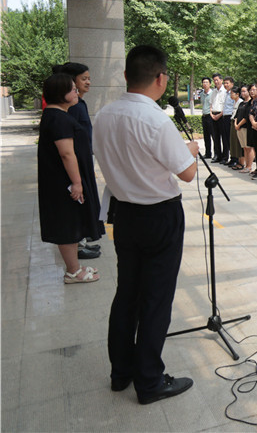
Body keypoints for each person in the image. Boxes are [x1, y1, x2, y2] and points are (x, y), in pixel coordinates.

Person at [94, 45, 198, 404]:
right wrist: (190, 152)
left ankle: (121, 372)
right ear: (161, 78)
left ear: (126, 76)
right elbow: (187, 173)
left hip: (124, 215)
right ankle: (150, 382)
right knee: (156, 299)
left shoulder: (104, 115)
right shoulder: (155, 120)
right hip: (159, 216)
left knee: (127, 294)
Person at [38, 72, 103, 283]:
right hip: (64, 182)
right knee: (68, 224)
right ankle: (73, 272)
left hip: (61, 180)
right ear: (61, 93)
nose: (76, 92)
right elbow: (67, 153)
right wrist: (76, 182)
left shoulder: (56, 115)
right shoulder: (59, 118)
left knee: (72, 221)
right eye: (73, 89)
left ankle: (75, 266)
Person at [57, 61, 102, 260]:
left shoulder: (79, 104)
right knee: (79, 202)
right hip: (77, 162)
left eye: (89, 78)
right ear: (72, 81)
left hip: (84, 160)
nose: (88, 82)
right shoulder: (73, 107)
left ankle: (82, 240)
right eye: (84, 79)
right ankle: (78, 244)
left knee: (86, 201)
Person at [233, 85, 252, 172]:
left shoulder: (250, 103)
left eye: (245, 91)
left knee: (248, 148)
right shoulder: (241, 103)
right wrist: (236, 124)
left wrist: (239, 125)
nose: (243, 93)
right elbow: (236, 115)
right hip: (239, 128)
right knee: (244, 148)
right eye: (242, 91)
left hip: (245, 128)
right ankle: (245, 166)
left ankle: (249, 166)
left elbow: (246, 117)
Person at [209, 73, 225, 162]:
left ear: (221, 80)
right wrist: (211, 114)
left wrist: (219, 115)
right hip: (213, 115)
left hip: (221, 115)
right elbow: (211, 104)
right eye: (214, 80)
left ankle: (225, 157)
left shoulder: (225, 91)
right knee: (215, 137)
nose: (216, 82)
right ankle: (217, 155)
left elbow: (226, 106)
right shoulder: (213, 92)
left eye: (217, 80)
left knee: (224, 137)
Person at [222, 77, 236, 166]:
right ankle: (230, 158)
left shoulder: (234, 94)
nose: (225, 85)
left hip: (230, 117)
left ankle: (235, 159)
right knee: (226, 139)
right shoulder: (226, 93)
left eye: (227, 83)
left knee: (232, 139)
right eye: (224, 83)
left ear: (232, 84)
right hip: (225, 117)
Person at [227, 86, 243, 169]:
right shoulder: (235, 102)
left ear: (237, 94)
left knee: (237, 143)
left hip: (237, 123)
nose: (231, 95)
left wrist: (237, 124)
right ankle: (234, 159)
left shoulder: (240, 102)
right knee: (233, 142)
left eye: (232, 93)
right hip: (233, 122)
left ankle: (239, 161)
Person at [199, 77, 214, 158]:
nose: (205, 84)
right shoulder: (201, 94)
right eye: (203, 82)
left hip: (210, 116)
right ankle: (208, 153)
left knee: (214, 136)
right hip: (204, 116)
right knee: (206, 136)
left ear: (210, 84)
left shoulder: (213, 94)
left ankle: (217, 154)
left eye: (206, 82)